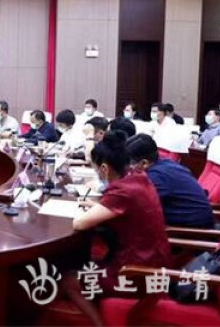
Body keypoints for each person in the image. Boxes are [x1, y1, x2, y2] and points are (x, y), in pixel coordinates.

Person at [62, 132, 170, 326]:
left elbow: (79, 224)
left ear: (104, 168)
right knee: (85, 262)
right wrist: (97, 206)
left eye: (95, 168)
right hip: (152, 262)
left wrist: (88, 211)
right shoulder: (138, 178)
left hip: (135, 273)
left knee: (69, 280)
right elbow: (122, 208)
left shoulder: (122, 191)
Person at [127, 134, 214, 228]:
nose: (127, 169)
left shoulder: (157, 177)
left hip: (191, 232)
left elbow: (134, 205)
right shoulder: (166, 165)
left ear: (144, 163)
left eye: (128, 164)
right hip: (184, 225)